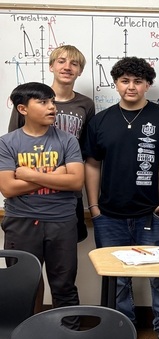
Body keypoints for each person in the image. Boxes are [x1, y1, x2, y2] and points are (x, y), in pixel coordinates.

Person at [85, 57, 159, 339]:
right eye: (125, 80)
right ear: (116, 83)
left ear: (147, 85)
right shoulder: (101, 121)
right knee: (117, 278)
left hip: (153, 214)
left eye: (138, 81)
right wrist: (94, 207)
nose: (131, 86)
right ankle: (122, 328)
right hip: (109, 215)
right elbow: (92, 164)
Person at [0, 82, 84, 327]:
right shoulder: (7, 143)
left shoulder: (67, 140)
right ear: (23, 109)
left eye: (52, 102)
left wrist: (30, 175)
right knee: (24, 286)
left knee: (64, 285)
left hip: (62, 221)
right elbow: (8, 188)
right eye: (44, 102)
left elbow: (76, 181)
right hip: (21, 222)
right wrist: (57, 176)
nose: (52, 107)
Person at [8, 45, 95, 246]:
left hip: (67, 188)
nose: (67, 67)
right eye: (61, 61)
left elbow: (86, 148)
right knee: (28, 256)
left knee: (63, 256)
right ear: (51, 66)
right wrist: (37, 176)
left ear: (80, 71)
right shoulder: (29, 100)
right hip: (30, 193)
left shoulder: (86, 104)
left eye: (74, 63)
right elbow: (14, 142)